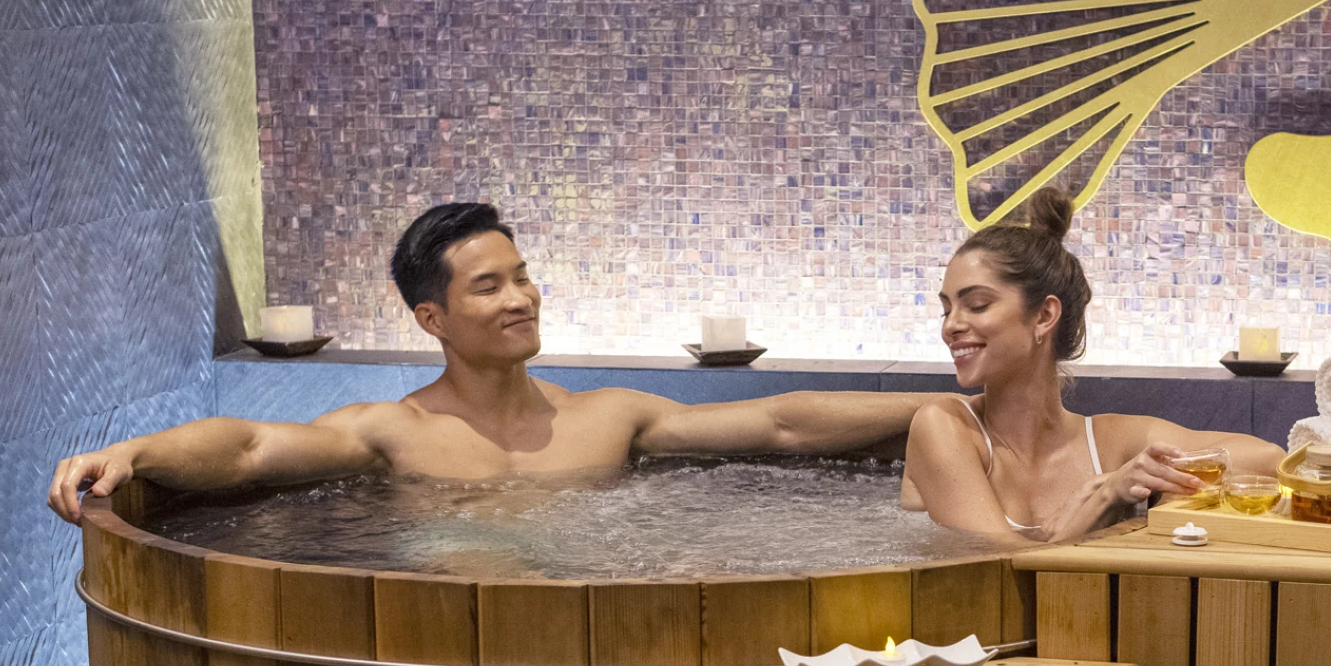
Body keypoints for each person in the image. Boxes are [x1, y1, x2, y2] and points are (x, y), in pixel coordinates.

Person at [47, 203, 951, 522]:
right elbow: (247, 448)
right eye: (490, 287)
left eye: (523, 278)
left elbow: (782, 422)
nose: (521, 299)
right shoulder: (392, 435)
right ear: (431, 316)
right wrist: (137, 452)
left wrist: (942, 410)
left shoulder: (607, 420)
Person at [905, 188, 1283, 544]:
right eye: (946, 309)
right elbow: (998, 570)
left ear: (1044, 316)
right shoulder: (945, 426)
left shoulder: (1107, 444)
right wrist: (1105, 499)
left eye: (976, 305)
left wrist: (1136, 479)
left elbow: (1269, 461)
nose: (951, 325)